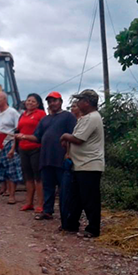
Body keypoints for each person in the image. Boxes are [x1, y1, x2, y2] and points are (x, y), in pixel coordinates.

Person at [16, 92, 77, 223]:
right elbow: (37, 137)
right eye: (50, 101)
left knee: (64, 188)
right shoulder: (45, 120)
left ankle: (66, 215)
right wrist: (24, 136)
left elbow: (74, 136)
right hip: (46, 158)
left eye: (54, 101)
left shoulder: (68, 116)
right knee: (48, 187)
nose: (52, 103)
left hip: (61, 158)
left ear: (60, 101)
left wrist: (69, 153)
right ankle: (47, 211)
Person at [60, 89, 105, 238]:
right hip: (80, 164)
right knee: (76, 197)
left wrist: (65, 136)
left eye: (80, 101)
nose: (77, 104)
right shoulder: (85, 118)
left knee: (89, 199)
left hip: (89, 164)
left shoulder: (92, 118)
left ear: (86, 102)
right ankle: (72, 224)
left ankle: (93, 229)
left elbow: (78, 139)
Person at [14, 93, 46, 213]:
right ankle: (29, 202)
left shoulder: (41, 114)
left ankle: (40, 204)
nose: (30, 103)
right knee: (28, 177)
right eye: (28, 100)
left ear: (38, 104)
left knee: (38, 177)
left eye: (33, 101)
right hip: (23, 148)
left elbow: (44, 130)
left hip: (36, 147)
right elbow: (19, 129)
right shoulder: (22, 115)